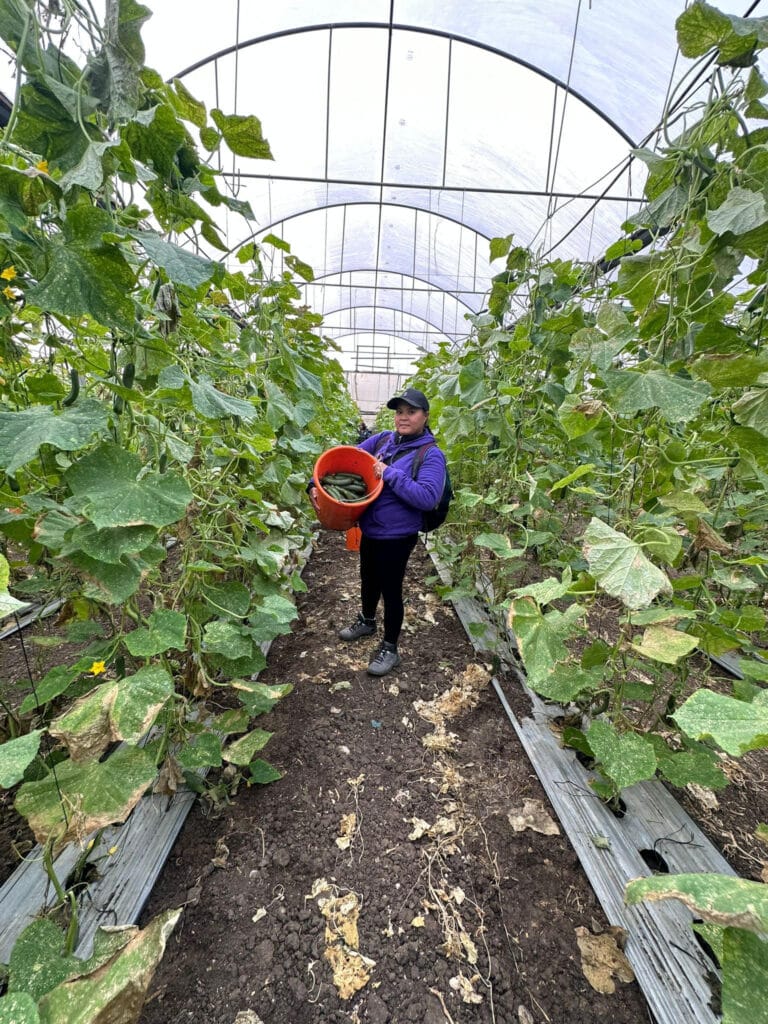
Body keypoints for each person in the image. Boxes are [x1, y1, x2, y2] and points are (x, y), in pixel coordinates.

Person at [309, 388, 447, 677]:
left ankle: (390, 647)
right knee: (368, 577)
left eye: (411, 412)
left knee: (391, 589)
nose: (403, 417)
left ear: (426, 416)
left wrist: (389, 473)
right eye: (399, 412)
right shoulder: (384, 439)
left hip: (398, 535)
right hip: (371, 527)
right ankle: (367, 621)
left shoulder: (430, 455)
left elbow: (427, 497)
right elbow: (345, 459)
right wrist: (314, 483)